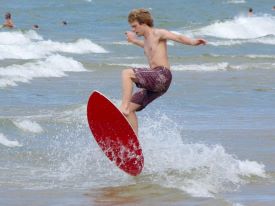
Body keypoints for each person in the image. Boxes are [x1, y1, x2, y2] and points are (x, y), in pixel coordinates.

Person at [119, 8, 206, 135]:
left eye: (134, 26)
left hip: (161, 74)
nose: (133, 29)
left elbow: (178, 37)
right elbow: (146, 46)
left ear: (143, 23)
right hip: (158, 84)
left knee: (126, 73)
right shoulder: (147, 40)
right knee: (132, 109)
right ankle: (134, 142)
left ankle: (123, 106)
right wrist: (133, 41)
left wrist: (193, 42)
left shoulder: (158, 33)